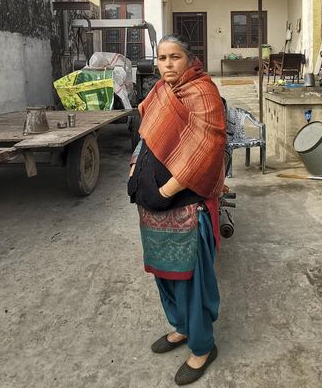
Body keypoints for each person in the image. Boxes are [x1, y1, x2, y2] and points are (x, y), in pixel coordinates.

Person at [128, 34, 226, 386]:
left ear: (189, 59)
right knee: (165, 276)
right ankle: (181, 328)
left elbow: (207, 146)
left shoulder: (203, 93)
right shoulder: (159, 92)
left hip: (186, 206)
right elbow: (146, 137)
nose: (167, 64)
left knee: (192, 280)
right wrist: (136, 172)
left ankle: (202, 346)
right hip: (153, 210)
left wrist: (165, 191)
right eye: (161, 58)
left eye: (175, 57)